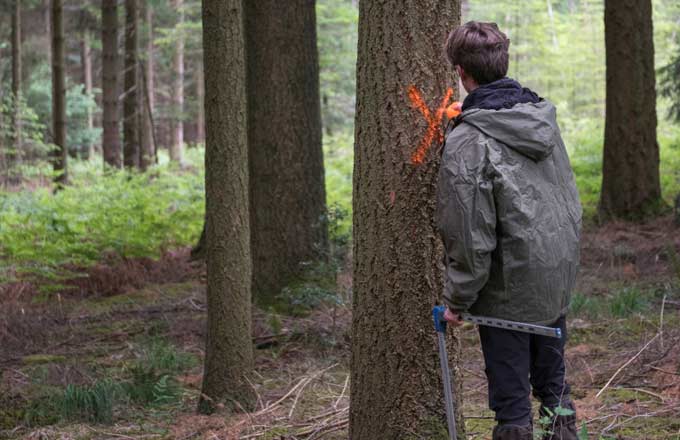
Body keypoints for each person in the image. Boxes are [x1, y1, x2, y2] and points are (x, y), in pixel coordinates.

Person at [436, 21, 582, 440]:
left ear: (462, 73)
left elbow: (469, 233)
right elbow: (565, 200)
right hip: (553, 276)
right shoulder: (542, 118)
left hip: (506, 290)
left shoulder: (468, 141)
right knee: (554, 383)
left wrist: (457, 300)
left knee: (512, 401)